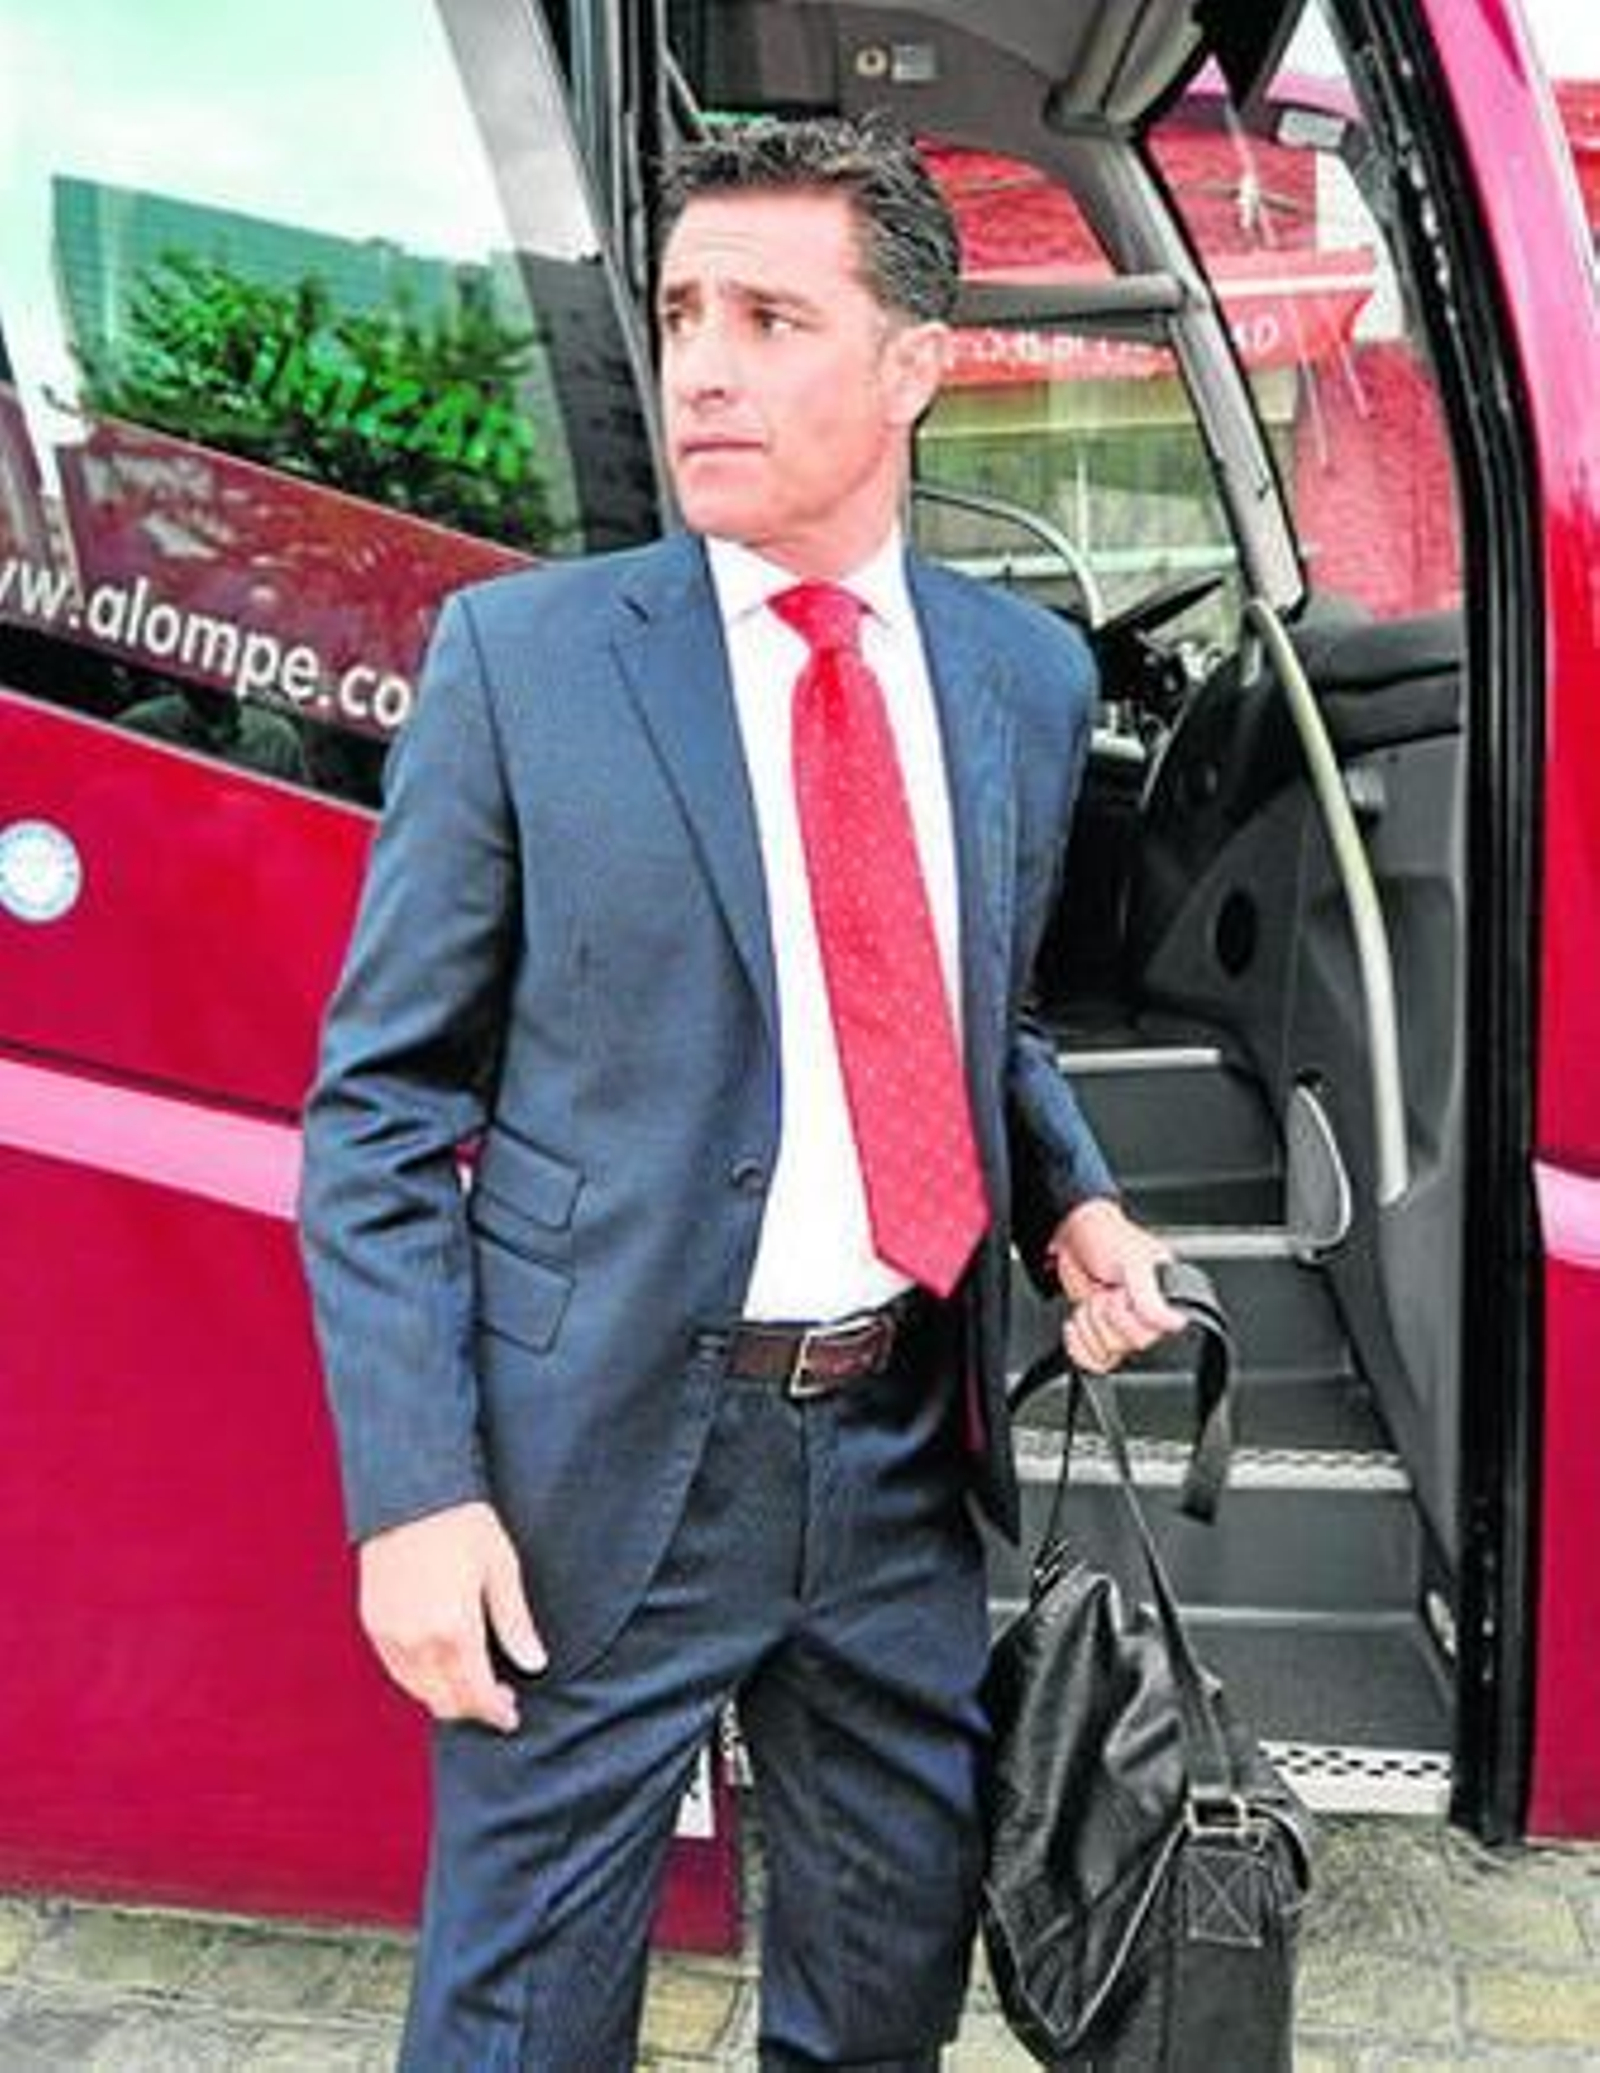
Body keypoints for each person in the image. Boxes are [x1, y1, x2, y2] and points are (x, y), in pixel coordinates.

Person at [298, 114, 1182, 2072]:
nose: (700, 362)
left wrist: (1073, 1197)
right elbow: (379, 1108)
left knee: (879, 2012)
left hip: (898, 1458)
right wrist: (415, 1491)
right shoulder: (524, 664)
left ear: (914, 365)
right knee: (521, 2026)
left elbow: (981, 1015)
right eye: (685, 310)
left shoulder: (1022, 680)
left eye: (771, 319)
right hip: (595, 1459)